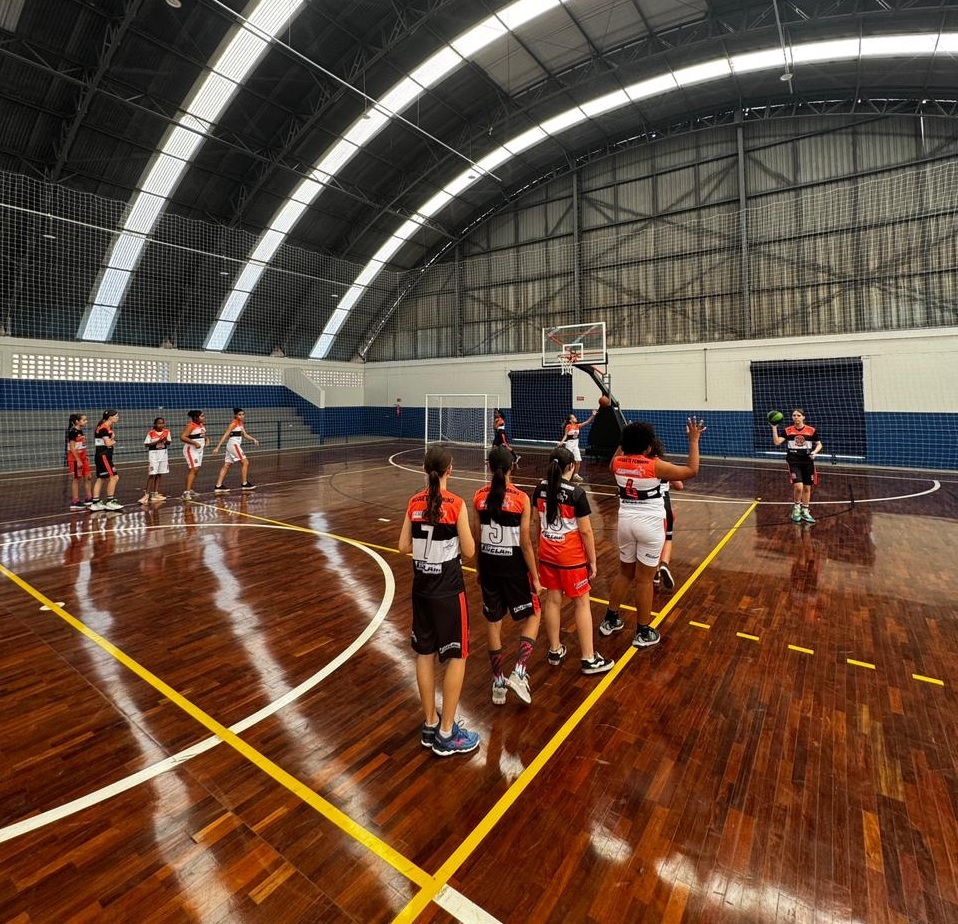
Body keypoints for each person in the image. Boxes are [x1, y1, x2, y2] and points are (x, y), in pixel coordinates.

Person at [398, 445, 479, 757]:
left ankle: (430, 723)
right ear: (450, 470)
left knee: (425, 654)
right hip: (448, 590)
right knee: (457, 656)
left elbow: (403, 546)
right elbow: (470, 551)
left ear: (423, 469)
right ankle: (447, 733)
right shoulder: (456, 504)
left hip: (422, 588)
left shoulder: (413, 502)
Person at [599, 418, 705, 647]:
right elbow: (692, 470)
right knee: (645, 580)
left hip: (625, 524)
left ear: (624, 444)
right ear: (648, 446)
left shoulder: (616, 463)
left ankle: (611, 618)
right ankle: (643, 631)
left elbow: (617, 457)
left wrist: (624, 440)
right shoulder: (654, 465)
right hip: (649, 525)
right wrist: (694, 440)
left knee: (624, 573)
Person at [532, 445, 612, 676]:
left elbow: (538, 523)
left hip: (547, 553)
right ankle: (588, 658)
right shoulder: (576, 493)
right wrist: (593, 561)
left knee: (553, 601)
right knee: (582, 603)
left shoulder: (539, 489)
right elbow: (586, 532)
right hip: (571, 558)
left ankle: (555, 649)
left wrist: (540, 548)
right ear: (572, 466)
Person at [473, 446, 544, 706]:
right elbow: (526, 544)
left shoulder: (478, 497)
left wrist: (480, 570)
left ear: (490, 467)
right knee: (534, 614)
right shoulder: (521, 499)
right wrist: (535, 577)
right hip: (514, 570)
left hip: (490, 568)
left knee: (493, 621)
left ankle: (498, 682)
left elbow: (479, 539)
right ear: (512, 466)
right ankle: (520, 671)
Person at [771, 408, 823, 524]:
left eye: (798, 415)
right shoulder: (788, 430)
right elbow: (777, 442)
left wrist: (814, 452)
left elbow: (819, 444)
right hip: (794, 461)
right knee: (798, 486)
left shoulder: (811, 430)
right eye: (794, 415)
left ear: (803, 417)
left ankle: (805, 510)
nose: (796, 417)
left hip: (808, 461)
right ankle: (796, 508)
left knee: (807, 488)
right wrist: (774, 428)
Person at [649, 436, 683, 590]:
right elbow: (679, 486)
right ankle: (664, 564)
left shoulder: (644, 468)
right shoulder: (666, 466)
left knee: (653, 542)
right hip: (665, 506)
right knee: (667, 538)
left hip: (649, 508)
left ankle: (655, 574)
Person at [213, 408, 259, 493]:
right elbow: (225, 435)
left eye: (243, 414)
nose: (242, 416)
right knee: (245, 462)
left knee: (227, 465)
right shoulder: (233, 424)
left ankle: (218, 486)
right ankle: (244, 484)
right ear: (235, 415)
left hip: (232, 446)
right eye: (239, 414)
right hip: (233, 445)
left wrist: (253, 439)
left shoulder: (240, 424)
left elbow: (245, 435)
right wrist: (217, 447)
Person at [90, 410, 123, 511]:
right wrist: (114, 441)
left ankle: (95, 503)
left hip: (101, 456)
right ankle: (110, 501)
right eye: (116, 416)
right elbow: (108, 443)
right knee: (114, 477)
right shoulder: (104, 428)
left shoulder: (106, 427)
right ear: (110, 417)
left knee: (101, 478)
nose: (118, 417)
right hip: (104, 456)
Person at [557, 409, 597, 482]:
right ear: (570, 420)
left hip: (575, 445)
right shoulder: (568, 426)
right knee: (568, 461)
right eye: (574, 417)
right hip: (569, 444)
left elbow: (587, 422)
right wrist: (561, 442)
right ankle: (564, 474)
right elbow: (565, 435)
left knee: (578, 460)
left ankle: (576, 474)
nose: (576, 418)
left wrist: (593, 415)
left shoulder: (578, 426)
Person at [140, 417, 171, 504]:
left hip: (163, 454)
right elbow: (146, 444)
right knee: (152, 474)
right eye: (159, 423)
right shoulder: (151, 433)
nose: (161, 425)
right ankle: (146, 495)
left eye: (162, 423)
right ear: (155, 424)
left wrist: (165, 440)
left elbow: (169, 443)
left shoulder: (166, 432)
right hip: (154, 454)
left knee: (159, 474)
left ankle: (155, 494)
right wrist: (158, 441)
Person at [66, 413, 93, 511]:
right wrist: (78, 460)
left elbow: (81, 445)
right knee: (76, 479)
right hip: (75, 459)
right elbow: (72, 448)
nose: (86, 421)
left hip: (83, 458)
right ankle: (75, 501)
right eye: (84, 420)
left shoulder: (80, 431)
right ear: (77, 421)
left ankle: (89, 498)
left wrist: (85, 457)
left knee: (88, 477)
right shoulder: (72, 432)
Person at [180, 409, 208, 499]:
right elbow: (183, 437)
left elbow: (201, 435)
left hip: (199, 451)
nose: (204, 417)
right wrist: (194, 443)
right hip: (191, 450)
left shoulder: (201, 425)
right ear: (196, 417)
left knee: (195, 470)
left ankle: (189, 489)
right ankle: (186, 493)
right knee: (194, 469)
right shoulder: (190, 426)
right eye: (202, 416)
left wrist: (207, 439)